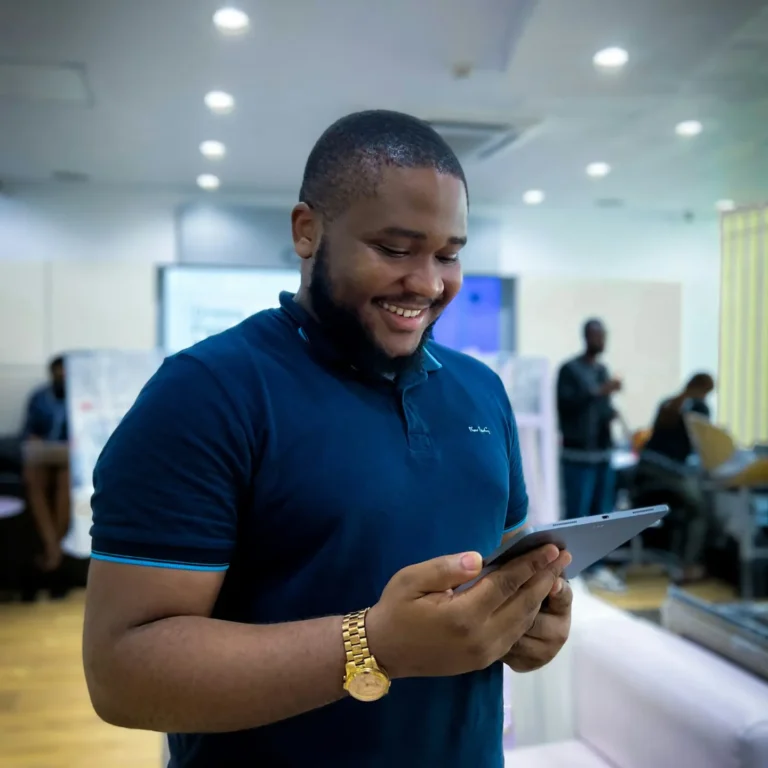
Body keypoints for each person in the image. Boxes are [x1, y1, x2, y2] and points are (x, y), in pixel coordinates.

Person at [83, 111, 572, 768]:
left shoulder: (481, 391)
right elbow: (123, 674)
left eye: (449, 254)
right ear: (307, 231)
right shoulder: (206, 394)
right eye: (396, 249)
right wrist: (372, 645)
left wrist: (526, 621)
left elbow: (501, 572)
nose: (428, 283)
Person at [556, 319, 624, 592]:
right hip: (577, 456)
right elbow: (567, 404)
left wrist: (610, 409)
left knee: (602, 515)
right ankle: (572, 568)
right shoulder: (570, 370)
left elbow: (601, 406)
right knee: (577, 514)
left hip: (602, 454)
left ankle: (596, 567)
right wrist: (599, 393)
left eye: (604, 335)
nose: (601, 340)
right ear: (587, 336)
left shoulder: (602, 370)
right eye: (597, 335)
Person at [634, 372, 715, 581]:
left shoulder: (668, 403)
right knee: (698, 511)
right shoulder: (698, 408)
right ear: (705, 391)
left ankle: (674, 559)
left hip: (644, 473)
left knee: (682, 508)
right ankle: (688, 566)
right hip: (668, 473)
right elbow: (702, 445)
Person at [20, 355, 70, 580]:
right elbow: (28, 432)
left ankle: (51, 548)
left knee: (66, 480)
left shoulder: (81, 397)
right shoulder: (39, 397)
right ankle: (55, 547)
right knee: (33, 475)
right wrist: (35, 440)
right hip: (43, 456)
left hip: (69, 458)